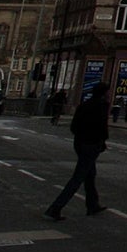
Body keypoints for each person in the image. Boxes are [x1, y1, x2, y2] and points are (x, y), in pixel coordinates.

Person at [45, 83, 112, 220]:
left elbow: (74, 126)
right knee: (78, 177)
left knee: (90, 174)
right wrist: (102, 141)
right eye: (108, 92)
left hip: (80, 143)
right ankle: (55, 208)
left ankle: (92, 204)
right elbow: (102, 128)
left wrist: (81, 138)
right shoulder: (101, 106)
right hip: (92, 145)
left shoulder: (84, 105)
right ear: (104, 93)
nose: (109, 94)